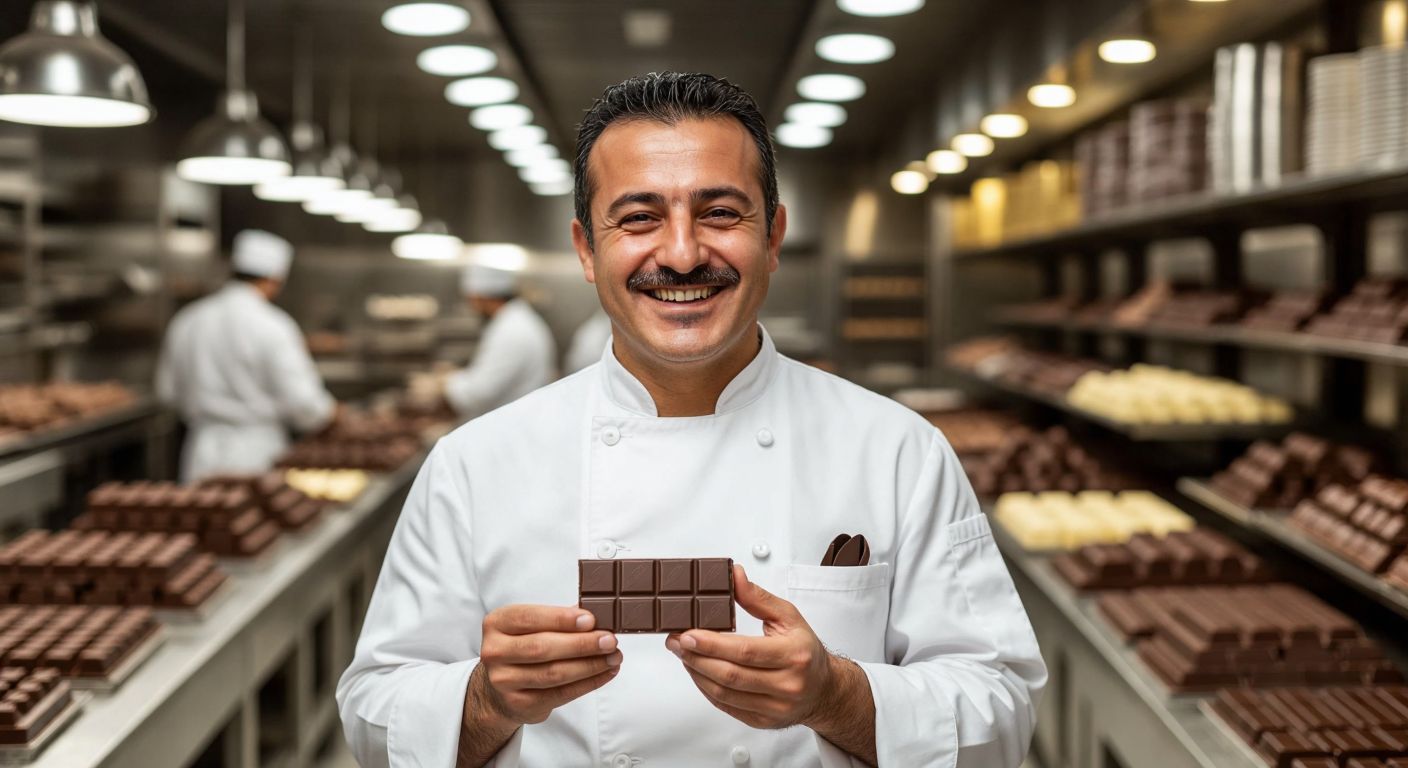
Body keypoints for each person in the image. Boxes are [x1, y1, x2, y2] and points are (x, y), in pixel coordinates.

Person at [338, 72, 1044, 768]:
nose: (681, 255)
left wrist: (838, 695)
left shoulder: (899, 452)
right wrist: (486, 699)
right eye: (639, 218)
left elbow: (1003, 711)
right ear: (587, 250)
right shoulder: (473, 464)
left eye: (721, 213)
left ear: (773, 236)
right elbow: (375, 710)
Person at [155, 229, 336, 484]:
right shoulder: (273, 324)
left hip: (201, 452)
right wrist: (331, 413)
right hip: (257, 452)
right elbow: (305, 405)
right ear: (274, 279)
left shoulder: (189, 319)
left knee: (199, 508)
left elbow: (167, 393)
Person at [411, 265, 557, 420]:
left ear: (480, 297)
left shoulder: (512, 330)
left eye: (470, 299)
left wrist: (444, 383)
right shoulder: (516, 320)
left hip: (512, 421)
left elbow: (479, 393)